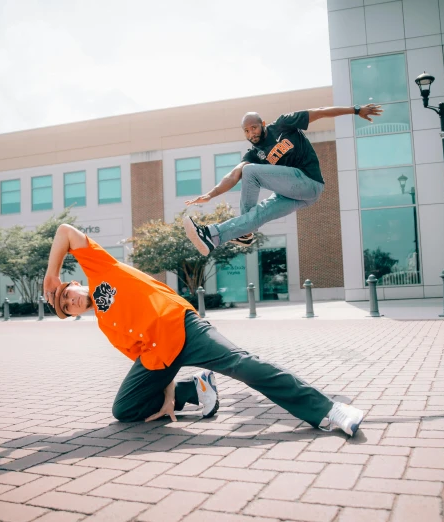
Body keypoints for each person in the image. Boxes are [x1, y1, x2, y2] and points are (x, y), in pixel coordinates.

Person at [43, 223, 365, 436]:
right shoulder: (105, 325)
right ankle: (195, 390)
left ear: (75, 284)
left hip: (183, 326)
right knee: (123, 408)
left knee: (242, 363)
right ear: (71, 314)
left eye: (67, 294)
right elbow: (148, 357)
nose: (70, 301)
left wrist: (51, 274)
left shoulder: (101, 268)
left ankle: (330, 410)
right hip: (163, 356)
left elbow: (65, 232)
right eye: (65, 306)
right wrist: (170, 393)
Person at [183, 104, 383, 255]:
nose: (251, 134)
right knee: (258, 212)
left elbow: (320, 111)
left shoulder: (283, 124)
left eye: (253, 128)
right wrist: (210, 194)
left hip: (309, 181)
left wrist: (356, 110)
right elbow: (234, 174)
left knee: (251, 172)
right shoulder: (254, 153)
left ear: (262, 124)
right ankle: (214, 236)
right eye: (246, 131)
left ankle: (245, 230)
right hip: (299, 197)